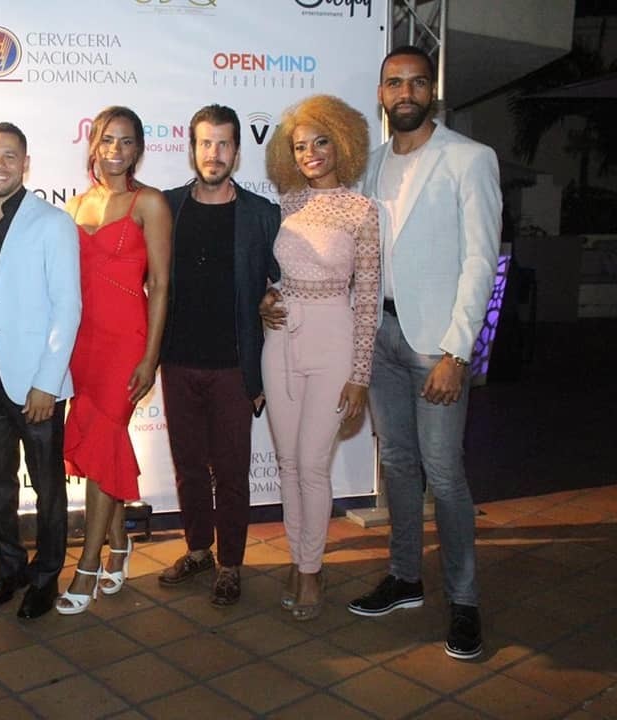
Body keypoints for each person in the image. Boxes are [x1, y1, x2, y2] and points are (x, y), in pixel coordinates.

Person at [264, 46, 501, 658]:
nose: (405, 93)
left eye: (417, 83)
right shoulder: (367, 167)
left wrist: (458, 351)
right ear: (381, 94)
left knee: (443, 474)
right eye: (395, 83)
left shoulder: (470, 159)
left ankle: (464, 601)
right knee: (395, 465)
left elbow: (481, 261)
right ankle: (404, 577)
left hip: (435, 343)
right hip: (377, 334)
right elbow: (340, 261)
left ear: (431, 91)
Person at [261, 95, 380, 621]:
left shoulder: (362, 210)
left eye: (321, 141)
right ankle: (298, 558)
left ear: (343, 144)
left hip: (334, 338)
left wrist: (360, 375)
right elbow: (272, 274)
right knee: (287, 463)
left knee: (312, 463)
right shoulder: (286, 204)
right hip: (280, 340)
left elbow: (368, 297)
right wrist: (265, 299)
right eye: (299, 146)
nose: (310, 153)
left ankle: (311, 568)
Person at [158, 104, 281, 607]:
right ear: (192, 149)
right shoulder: (167, 207)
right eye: (206, 143)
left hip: (234, 365)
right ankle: (197, 551)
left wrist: (273, 297)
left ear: (237, 151)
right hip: (177, 361)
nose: (214, 153)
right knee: (188, 466)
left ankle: (230, 563)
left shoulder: (261, 214)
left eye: (224, 143)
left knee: (231, 471)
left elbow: (283, 280)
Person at [56, 107, 172, 615]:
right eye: (108, 140)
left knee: (104, 436)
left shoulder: (151, 203)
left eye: (126, 142)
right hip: (83, 343)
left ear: (138, 149)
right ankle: (120, 541)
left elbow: (161, 285)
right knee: (99, 446)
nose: (116, 150)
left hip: (127, 340)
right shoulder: (74, 206)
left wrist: (151, 356)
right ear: (94, 145)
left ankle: (87, 564)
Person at [0, 122, 81, 620]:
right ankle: (9, 567)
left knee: (48, 488)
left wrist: (47, 383)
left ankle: (46, 576)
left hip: (35, 383)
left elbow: (68, 307)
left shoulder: (52, 223)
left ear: (26, 164)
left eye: (9, 156)